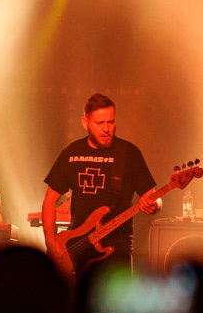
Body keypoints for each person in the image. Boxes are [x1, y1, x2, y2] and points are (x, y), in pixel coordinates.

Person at [41, 92, 158, 275]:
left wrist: (154, 204)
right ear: (85, 122)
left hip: (117, 245)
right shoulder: (72, 153)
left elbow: (153, 196)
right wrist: (50, 241)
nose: (106, 129)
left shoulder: (128, 153)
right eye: (99, 123)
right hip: (76, 247)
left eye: (110, 122)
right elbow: (49, 201)